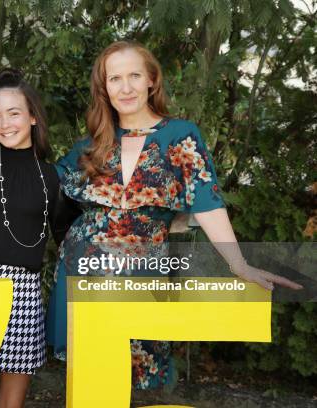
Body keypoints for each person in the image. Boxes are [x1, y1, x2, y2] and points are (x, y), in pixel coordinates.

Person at [45, 40, 302, 389]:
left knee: (135, 375)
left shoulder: (181, 136)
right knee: (93, 379)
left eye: (134, 75)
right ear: (104, 88)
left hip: (142, 272)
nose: (125, 87)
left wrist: (238, 263)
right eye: (114, 78)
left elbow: (207, 203)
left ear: (151, 79)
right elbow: (46, 191)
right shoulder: (91, 144)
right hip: (82, 270)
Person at [0, 69, 70, 408]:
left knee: (12, 402)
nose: (5, 123)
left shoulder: (53, 176)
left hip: (24, 289)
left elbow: (67, 236)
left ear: (33, 116)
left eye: (14, 113)